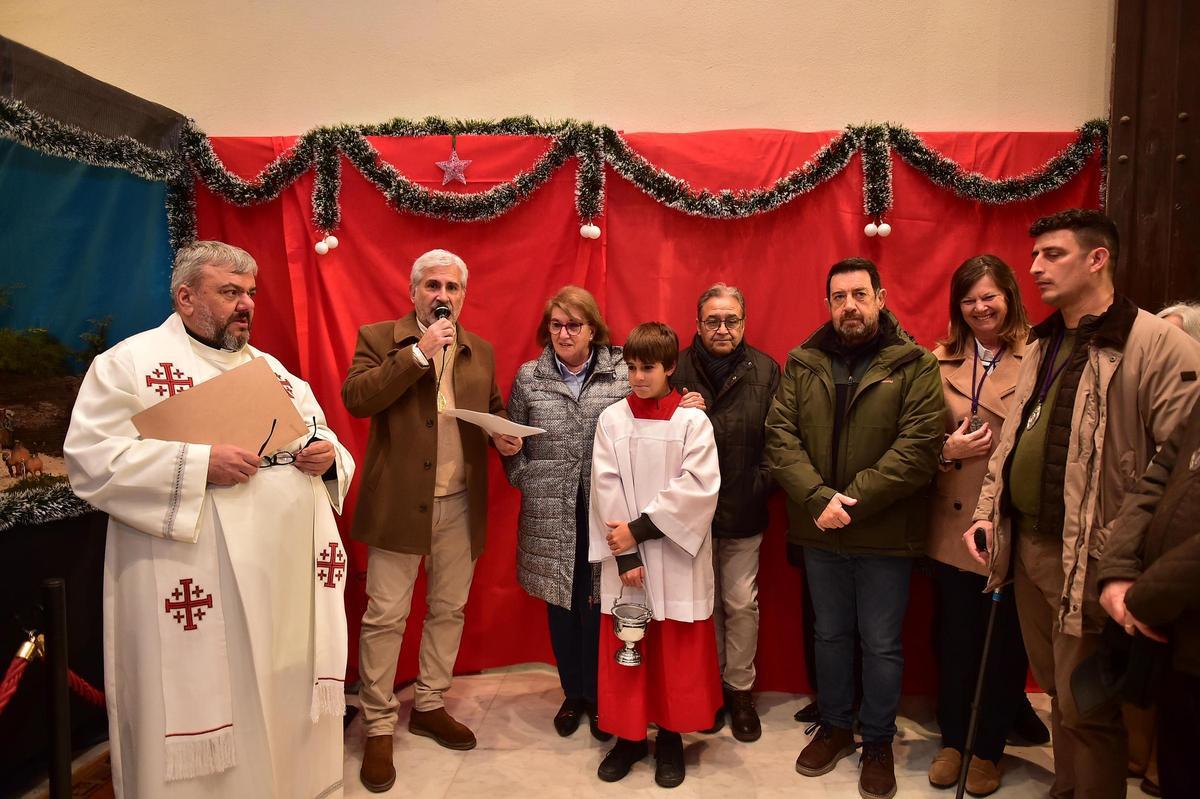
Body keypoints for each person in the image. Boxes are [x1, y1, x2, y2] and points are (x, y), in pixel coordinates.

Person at [64, 241, 355, 799]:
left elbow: (323, 437)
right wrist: (198, 463)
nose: (245, 305)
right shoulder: (130, 364)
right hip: (193, 576)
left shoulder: (273, 372)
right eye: (229, 293)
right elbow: (90, 459)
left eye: (250, 294)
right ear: (185, 295)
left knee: (275, 702)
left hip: (279, 585)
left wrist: (327, 456)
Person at [964, 209, 1200, 799]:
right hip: (1030, 553)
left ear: (1098, 259)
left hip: (1092, 561)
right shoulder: (1046, 342)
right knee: (1059, 698)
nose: (1035, 266)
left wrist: (1124, 559)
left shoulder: (1157, 345)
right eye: (1036, 254)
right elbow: (1015, 439)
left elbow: (1178, 475)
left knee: (1089, 708)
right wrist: (987, 511)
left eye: (1053, 254)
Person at [343, 249, 521, 793]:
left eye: (453, 287)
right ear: (413, 292)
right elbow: (357, 399)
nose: (443, 296)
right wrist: (417, 355)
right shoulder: (379, 338)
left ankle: (429, 703)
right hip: (398, 503)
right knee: (385, 615)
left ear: (464, 295)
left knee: (448, 609)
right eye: (432, 285)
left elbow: (488, 408)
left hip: (460, 504)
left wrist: (503, 436)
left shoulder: (480, 350)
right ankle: (378, 725)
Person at [766, 257, 944, 799]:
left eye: (859, 294)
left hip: (885, 535)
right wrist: (821, 500)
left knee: (883, 643)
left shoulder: (915, 364)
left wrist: (852, 502)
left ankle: (879, 740)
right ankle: (838, 726)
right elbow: (779, 436)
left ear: (880, 298)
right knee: (830, 635)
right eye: (839, 296)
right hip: (820, 529)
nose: (849, 305)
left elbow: (918, 449)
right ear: (828, 303)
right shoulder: (803, 361)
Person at [925, 255, 1042, 797]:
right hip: (951, 521)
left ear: (1010, 298)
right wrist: (944, 450)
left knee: (1004, 644)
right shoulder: (938, 360)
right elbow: (914, 437)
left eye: (989, 296)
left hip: (1008, 520)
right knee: (955, 638)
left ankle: (989, 748)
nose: (979, 308)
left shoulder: (1039, 355)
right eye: (969, 299)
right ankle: (953, 739)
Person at [588, 322, 723, 788]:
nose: (638, 377)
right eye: (631, 367)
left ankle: (669, 737)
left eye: (648, 368)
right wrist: (624, 553)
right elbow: (604, 487)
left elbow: (700, 487)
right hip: (626, 557)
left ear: (671, 367)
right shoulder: (612, 420)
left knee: (674, 649)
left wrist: (640, 530)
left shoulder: (692, 421)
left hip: (677, 557)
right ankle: (627, 738)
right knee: (629, 641)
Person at [501, 286, 631, 742]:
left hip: (604, 511)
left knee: (599, 603)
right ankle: (572, 693)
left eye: (574, 324)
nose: (564, 333)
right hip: (550, 511)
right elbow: (510, 444)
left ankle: (599, 697)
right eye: (556, 325)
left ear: (592, 328)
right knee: (563, 603)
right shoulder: (529, 378)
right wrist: (523, 474)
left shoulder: (621, 373)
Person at [670, 283, 780, 742]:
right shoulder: (674, 367)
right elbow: (648, 425)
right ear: (697, 324)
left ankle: (740, 691)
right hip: (686, 516)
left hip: (743, 510)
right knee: (700, 607)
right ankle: (708, 690)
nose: (721, 329)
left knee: (740, 604)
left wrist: (761, 486)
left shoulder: (767, 369)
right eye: (712, 320)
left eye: (730, 320)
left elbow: (781, 436)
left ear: (744, 323)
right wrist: (675, 410)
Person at [1097, 409, 1200, 799]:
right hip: (1175, 641)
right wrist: (1119, 569)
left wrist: (1143, 598)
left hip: (1162, 610)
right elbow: (1156, 479)